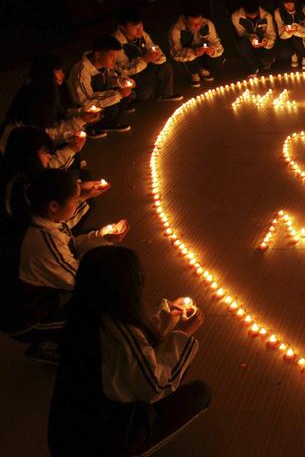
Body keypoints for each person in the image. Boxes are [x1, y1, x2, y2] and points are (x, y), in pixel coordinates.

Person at [48, 246, 210, 455]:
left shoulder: (83, 316)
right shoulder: (121, 333)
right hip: (105, 441)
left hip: (64, 431)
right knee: (200, 391)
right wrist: (184, 334)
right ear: (128, 289)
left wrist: (164, 316)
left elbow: (136, 344)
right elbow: (157, 386)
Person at [13, 169, 115, 363]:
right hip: (26, 316)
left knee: (98, 256)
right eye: (75, 200)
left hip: (42, 289)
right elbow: (80, 280)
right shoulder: (43, 243)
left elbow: (70, 244)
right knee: (100, 306)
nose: (79, 202)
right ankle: (47, 344)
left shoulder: (40, 218)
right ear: (53, 205)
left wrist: (100, 237)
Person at [1, 54, 97, 152]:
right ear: (47, 73)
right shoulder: (39, 96)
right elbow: (47, 135)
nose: (63, 75)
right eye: (59, 71)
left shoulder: (49, 88)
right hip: (21, 149)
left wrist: (81, 113)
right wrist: (81, 120)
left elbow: (61, 114)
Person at [67, 36, 135, 137]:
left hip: (97, 99)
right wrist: (118, 94)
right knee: (113, 107)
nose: (115, 61)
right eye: (112, 58)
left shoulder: (104, 65)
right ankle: (89, 127)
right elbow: (86, 101)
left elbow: (107, 81)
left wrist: (120, 82)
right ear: (98, 55)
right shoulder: (81, 71)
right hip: (82, 108)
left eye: (116, 58)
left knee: (129, 95)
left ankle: (108, 124)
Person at [113, 8, 182, 104]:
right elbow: (124, 70)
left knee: (165, 64)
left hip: (143, 68)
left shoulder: (142, 35)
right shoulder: (116, 43)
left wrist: (157, 56)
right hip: (127, 78)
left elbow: (154, 48)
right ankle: (126, 101)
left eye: (141, 26)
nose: (140, 30)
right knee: (144, 93)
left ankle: (165, 94)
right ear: (122, 27)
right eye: (134, 28)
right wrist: (145, 59)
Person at [169, 8, 225, 88]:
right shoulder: (176, 29)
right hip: (188, 55)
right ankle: (193, 72)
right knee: (183, 55)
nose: (196, 26)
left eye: (199, 23)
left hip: (203, 53)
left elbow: (216, 43)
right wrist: (194, 53)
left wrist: (212, 51)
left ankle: (202, 67)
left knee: (218, 62)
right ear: (185, 21)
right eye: (192, 24)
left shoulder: (207, 24)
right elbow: (175, 53)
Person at [231, 0, 277, 77]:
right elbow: (241, 33)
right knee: (241, 43)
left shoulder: (267, 16)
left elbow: (271, 34)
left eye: (254, 14)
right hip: (249, 44)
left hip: (264, 45)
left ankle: (266, 61)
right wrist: (251, 38)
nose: (252, 17)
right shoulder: (236, 16)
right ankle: (253, 65)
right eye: (249, 15)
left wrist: (266, 42)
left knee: (266, 63)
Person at [274, 0, 305, 70]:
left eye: (291, 2)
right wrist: (286, 30)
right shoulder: (278, 12)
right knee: (284, 51)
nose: (289, 5)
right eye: (286, 3)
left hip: (303, 36)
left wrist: (297, 28)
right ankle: (293, 53)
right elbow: (280, 33)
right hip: (287, 38)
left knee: (296, 38)